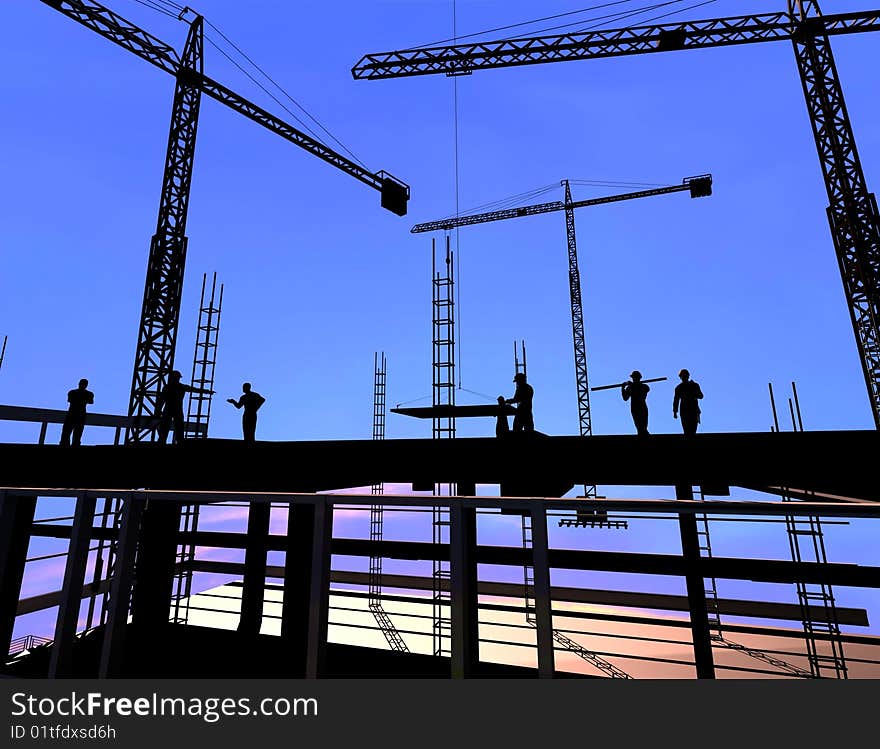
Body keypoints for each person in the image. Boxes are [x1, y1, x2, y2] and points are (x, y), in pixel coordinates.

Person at [157, 370, 213, 445]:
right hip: (174, 410)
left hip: (172, 410)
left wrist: (206, 391)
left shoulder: (172, 387)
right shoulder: (175, 387)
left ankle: (169, 441)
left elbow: (162, 400)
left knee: (175, 427)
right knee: (170, 427)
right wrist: (206, 391)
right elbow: (162, 399)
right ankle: (167, 441)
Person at [60, 378, 94, 446]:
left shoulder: (73, 392)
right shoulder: (88, 394)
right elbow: (90, 401)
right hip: (78, 415)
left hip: (74, 415)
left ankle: (67, 445)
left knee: (70, 433)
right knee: (74, 434)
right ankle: (71, 444)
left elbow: (70, 400)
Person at [673, 368, 704, 436]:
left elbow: (701, 396)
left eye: (685, 375)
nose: (684, 377)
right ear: (680, 377)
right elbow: (676, 400)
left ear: (688, 376)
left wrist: (694, 392)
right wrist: (675, 411)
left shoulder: (694, 385)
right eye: (682, 376)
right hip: (684, 410)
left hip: (693, 409)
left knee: (693, 430)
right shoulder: (679, 388)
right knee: (686, 430)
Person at [622, 370, 650, 436]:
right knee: (639, 427)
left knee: (643, 426)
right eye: (634, 377)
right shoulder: (630, 387)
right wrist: (623, 388)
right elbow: (625, 398)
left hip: (642, 407)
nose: (634, 379)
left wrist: (632, 385)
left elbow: (646, 389)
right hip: (635, 408)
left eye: (635, 377)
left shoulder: (643, 386)